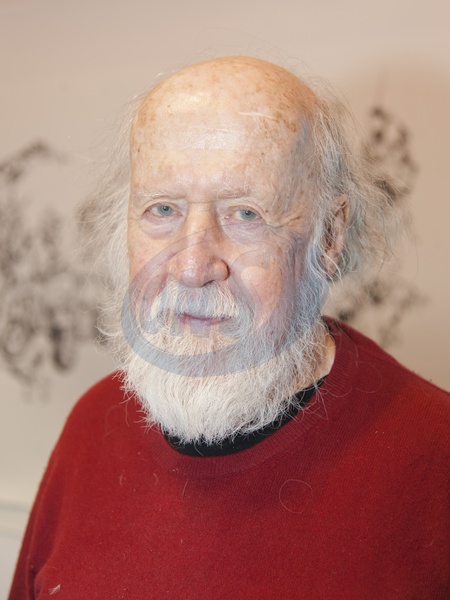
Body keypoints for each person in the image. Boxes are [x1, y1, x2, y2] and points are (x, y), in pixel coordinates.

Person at [9, 56, 449, 599]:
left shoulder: (435, 458)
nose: (192, 267)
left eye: (245, 214)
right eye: (162, 210)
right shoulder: (91, 425)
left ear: (330, 236)